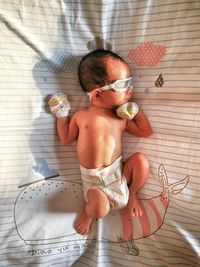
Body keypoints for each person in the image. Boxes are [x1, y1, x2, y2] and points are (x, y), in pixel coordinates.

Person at [48, 49, 153, 235]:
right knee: (99, 210)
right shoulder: (81, 116)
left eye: (131, 82)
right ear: (97, 95)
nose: (131, 89)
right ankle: (89, 213)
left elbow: (146, 131)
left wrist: (136, 112)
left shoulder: (121, 118)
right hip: (95, 184)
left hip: (120, 176)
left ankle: (134, 194)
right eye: (123, 84)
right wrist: (62, 115)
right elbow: (65, 138)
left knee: (141, 160)